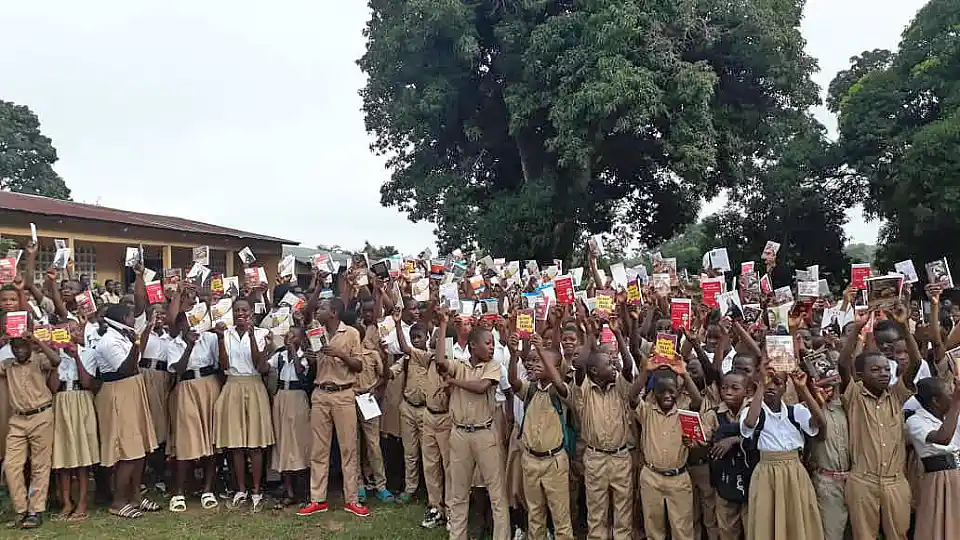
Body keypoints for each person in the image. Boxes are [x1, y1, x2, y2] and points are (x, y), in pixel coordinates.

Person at [433, 307, 510, 540]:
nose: (492, 347)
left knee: (497, 494)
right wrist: (444, 324)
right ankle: (458, 536)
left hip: (485, 433)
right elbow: (439, 361)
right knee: (458, 493)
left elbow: (481, 387)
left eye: (493, 343)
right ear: (473, 346)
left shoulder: (493, 366)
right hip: (459, 435)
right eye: (488, 343)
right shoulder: (460, 364)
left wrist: (454, 382)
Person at [298, 297, 369, 517]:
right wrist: (311, 358)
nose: (318, 310)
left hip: (343, 393)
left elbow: (359, 366)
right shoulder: (315, 332)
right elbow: (306, 314)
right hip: (320, 393)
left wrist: (340, 354)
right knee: (319, 449)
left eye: (323, 308)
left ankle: (352, 499)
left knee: (349, 448)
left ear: (334, 313)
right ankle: (317, 499)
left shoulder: (351, 334)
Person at [740, 368, 825, 540]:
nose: (771, 386)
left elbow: (820, 422)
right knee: (767, 521)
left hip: (794, 472)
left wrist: (802, 389)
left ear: (785, 388)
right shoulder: (753, 411)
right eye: (767, 381)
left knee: (797, 519)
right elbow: (749, 423)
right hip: (766, 473)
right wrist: (760, 387)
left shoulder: (796, 412)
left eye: (777, 383)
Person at [94, 303, 161, 518]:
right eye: (132, 316)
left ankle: (136, 497)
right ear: (123, 318)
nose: (134, 320)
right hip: (118, 392)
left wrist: (145, 331)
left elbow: (135, 360)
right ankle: (118, 502)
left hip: (133, 389)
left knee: (139, 449)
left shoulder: (124, 335)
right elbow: (125, 368)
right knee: (127, 451)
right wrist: (136, 344)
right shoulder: (108, 341)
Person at [507, 332, 575, 540]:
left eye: (541, 362)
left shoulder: (562, 392)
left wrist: (542, 352)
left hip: (553, 462)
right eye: (534, 361)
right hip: (530, 460)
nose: (535, 365)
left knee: (560, 517)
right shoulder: (530, 390)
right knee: (535, 515)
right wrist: (512, 355)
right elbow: (513, 381)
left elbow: (559, 382)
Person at [212, 297, 274, 512]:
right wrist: (220, 340)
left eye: (244, 310)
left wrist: (251, 336)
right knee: (235, 442)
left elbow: (259, 364)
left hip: (254, 384)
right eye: (237, 310)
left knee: (255, 442)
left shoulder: (261, 333)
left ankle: (257, 490)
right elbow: (223, 364)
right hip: (233, 384)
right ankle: (240, 488)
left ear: (251, 313)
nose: (240, 313)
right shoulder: (225, 334)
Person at [1, 331, 60, 529]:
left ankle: (35, 510)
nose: (19, 351)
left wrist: (38, 342)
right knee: (11, 465)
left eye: (22, 347)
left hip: (41, 415)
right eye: (14, 347)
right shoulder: (7, 364)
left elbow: (56, 360)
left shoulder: (39, 359)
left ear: (29, 345)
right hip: (18, 419)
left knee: (40, 465)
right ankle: (21, 509)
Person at [165, 311, 222, 513]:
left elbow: (220, 363)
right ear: (180, 324)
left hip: (209, 385)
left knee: (210, 437)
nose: (192, 324)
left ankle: (208, 489)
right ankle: (179, 492)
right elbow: (178, 369)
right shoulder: (174, 345)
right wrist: (189, 346)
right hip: (186, 386)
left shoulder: (210, 338)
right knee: (186, 437)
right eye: (187, 321)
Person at [52, 320, 100, 522]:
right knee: (62, 456)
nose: (70, 333)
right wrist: (55, 357)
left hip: (81, 399)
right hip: (61, 400)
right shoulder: (54, 355)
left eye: (74, 330)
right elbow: (52, 386)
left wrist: (76, 356)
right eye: (66, 331)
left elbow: (88, 382)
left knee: (82, 455)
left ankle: (81, 503)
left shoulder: (88, 352)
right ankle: (66, 502)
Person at [906, 377, 960, 540]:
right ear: (936, 400)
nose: (953, 396)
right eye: (950, 394)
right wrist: (956, 404)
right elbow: (943, 438)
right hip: (939, 479)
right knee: (938, 527)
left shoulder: (952, 415)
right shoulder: (915, 421)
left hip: (957, 475)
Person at [268, 327, 311, 507]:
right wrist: (267, 347)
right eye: (288, 335)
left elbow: (301, 371)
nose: (289, 338)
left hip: (298, 397)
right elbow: (263, 367)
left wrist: (293, 350)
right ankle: (289, 491)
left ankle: (303, 491)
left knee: (300, 442)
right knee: (284, 442)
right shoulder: (279, 356)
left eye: (294, 336)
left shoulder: (305, 356)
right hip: (282, 398)